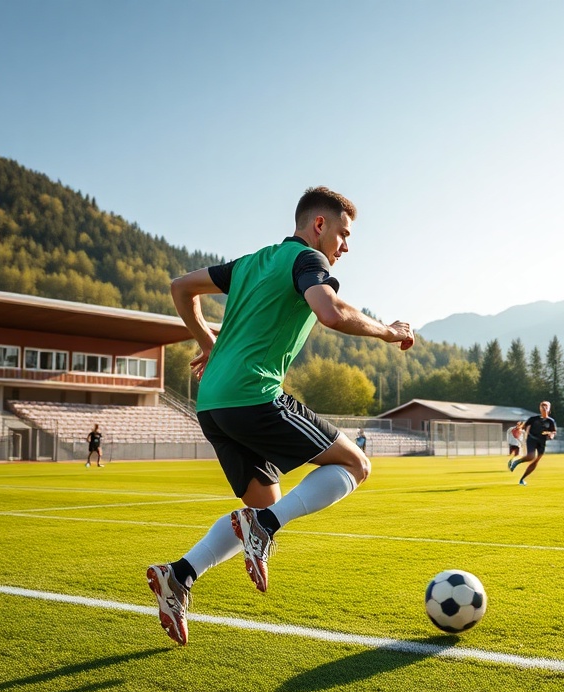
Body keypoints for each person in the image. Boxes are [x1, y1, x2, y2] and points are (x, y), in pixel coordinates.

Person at [146, 186, 414, 646]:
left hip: (212, 404)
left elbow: (180, 287)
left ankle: (180, 576)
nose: (345, 246)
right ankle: (263, 528)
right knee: (356, 465)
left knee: (266, 502)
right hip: (253, 395)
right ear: (319, 225)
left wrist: (210, 343)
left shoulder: (253, 263)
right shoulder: (309, 262)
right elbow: (329, 312)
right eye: (343, 234)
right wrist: (389, 333)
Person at [507, 401, 557, 486]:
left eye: (546, 406)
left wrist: (551, 435)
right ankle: (516, 462)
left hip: (542, 441)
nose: (544, 407)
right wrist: (519, 428)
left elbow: (553, 431)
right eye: (542, 406)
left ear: (549, 408)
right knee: (531, 457)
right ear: (540, 408)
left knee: (536, 461)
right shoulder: (534, 419)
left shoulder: (551, 421)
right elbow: (523, 426)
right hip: (532, 439)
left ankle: (522, 479)